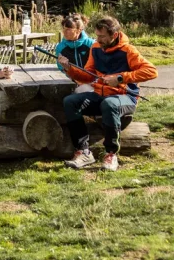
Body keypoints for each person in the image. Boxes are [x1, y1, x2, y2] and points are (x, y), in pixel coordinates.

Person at [61, 16, 157, 172]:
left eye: (102, 36)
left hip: (125, 98)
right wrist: (69, 69)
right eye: (97, 35)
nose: (98, 39)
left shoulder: (128, 50)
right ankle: (84, 152)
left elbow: (152, 71)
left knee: (109, 104)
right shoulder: (96, 48)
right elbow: (88, 75)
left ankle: (111, 154)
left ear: (114, 34)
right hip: (100, 94)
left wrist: (121, 78)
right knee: (70, 101)